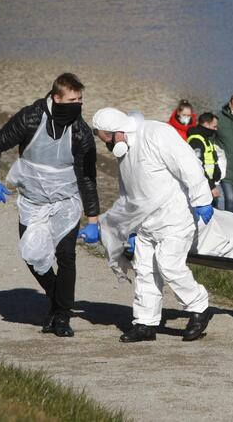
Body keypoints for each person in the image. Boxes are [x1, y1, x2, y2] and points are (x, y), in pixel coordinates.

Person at [0, 73, 100, 338]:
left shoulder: (80, 132)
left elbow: (88, 178)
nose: (78, 104)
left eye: (80, 99)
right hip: (33, 201)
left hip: (65, 203)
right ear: (56, 98)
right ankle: (57, 300)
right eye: (72, 99)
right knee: (32, 255)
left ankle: (62, 317)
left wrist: (93, 219)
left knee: (66, 256)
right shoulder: (31, 118)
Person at [93, 107, 214, 343]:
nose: (107, 147)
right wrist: (130, 228)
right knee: (145, 271)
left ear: (118, 132)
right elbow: (128, 190)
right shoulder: (124, 150)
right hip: (145, 222)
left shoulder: (157, 133)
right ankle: (145, 323)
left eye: (107, 140)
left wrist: (202, 199)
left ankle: (200, 307)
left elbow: (187, 164)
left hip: (174, 217)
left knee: (169, 265)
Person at [187, 112, 222, 207]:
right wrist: (212, 186)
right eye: (214, 127)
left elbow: (210, 160)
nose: (216, 129)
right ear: (206, 124)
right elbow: (198, 166)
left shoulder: (205, 138)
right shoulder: (196, 141)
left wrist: (217, 171)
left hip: (208, 184)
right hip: (203, 187)